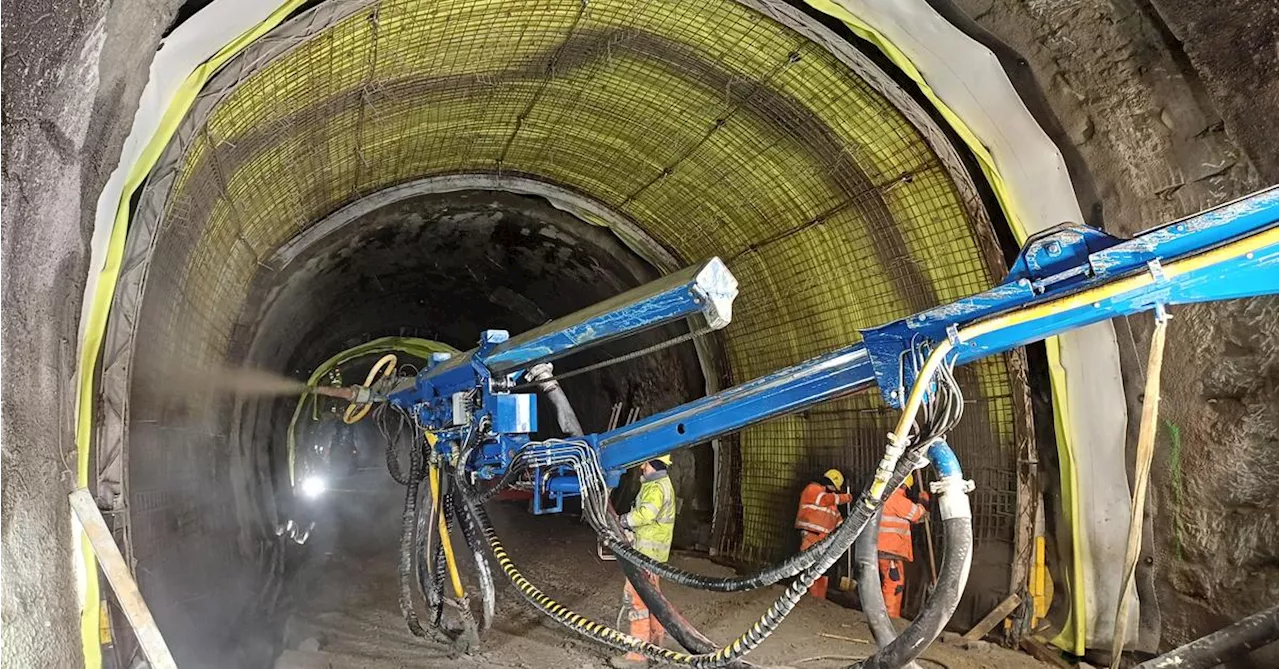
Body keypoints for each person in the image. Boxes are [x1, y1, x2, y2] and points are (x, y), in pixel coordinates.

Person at [611, 455, 676, 669]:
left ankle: (638, 657)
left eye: (645, 463)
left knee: (637, 599)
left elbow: (646, 514)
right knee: (654, 598)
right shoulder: (660, 483)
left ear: (653, 464)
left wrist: (624, 520)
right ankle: (656, 645)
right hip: (653, 553)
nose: (642, 467)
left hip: (645, 553)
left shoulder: (656, 487)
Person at [795, 468, 853, 599]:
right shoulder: (813, 489)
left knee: (823, 571)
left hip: (824, 541)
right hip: (811, 535)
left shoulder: (832, 505)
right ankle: (806, 598)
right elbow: (825, 500)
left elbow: (837, 519)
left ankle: (818, 600)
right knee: (810, 568)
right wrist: (845, 498)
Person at [877, 474, 930, 618]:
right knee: (893, 584)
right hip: (890, 549)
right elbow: (916, 513)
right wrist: (923, 502)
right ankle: (888, 617)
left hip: (888, 549)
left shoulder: (886, 497)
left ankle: (892, 615)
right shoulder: (895, 497)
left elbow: (905, 519)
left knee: (895, 583)